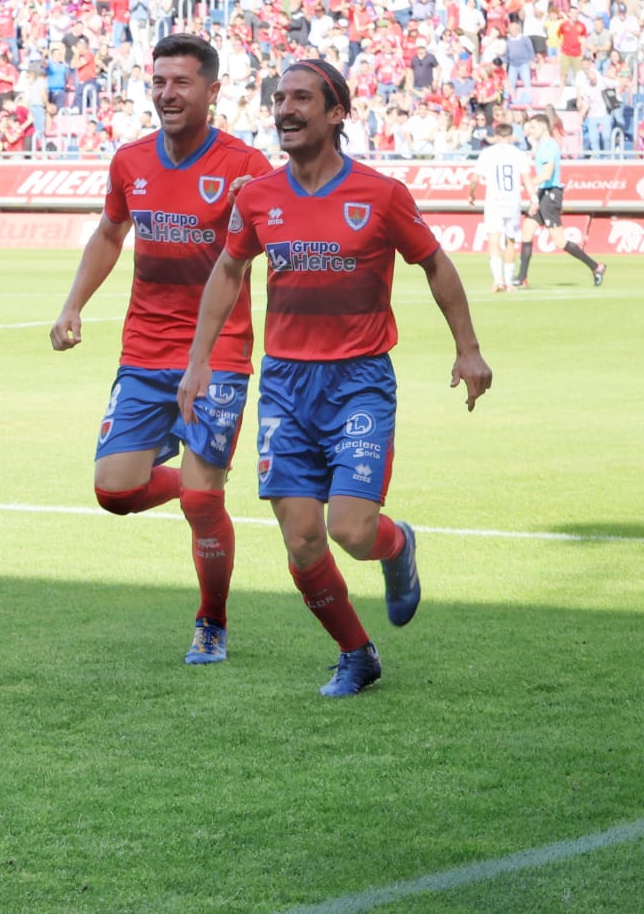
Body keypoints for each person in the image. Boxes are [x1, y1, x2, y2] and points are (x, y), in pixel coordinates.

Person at [179, 59, 491, 697]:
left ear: (337, 113)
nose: (285, 110)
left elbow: (435, 264)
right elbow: (230, 273)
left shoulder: (380, 194)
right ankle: (357, 654)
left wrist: (469, 349)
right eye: (278, 99)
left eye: (300, 99)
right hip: (285, 386)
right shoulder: (258, 197)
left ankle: (397, 545)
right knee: (301, 540)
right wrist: (199, 358)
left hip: (358, 382)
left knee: (351, 529)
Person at [50, 35, 271, 665]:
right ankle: (203, 483)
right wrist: (73, 305)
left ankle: (212, 620)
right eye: (159, 82)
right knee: (115, 491)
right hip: (144, 350)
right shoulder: (130, 161)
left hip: (219, 351)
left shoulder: (244, 166)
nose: (167, 94)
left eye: (181, 83)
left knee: (202, 503)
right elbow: (109, 234)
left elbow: (274, 253)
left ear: (212, 91)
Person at [516, 115, 607, 288]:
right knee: (527, 231)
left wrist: (526, 184)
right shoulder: (542, 146)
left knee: (559, 241)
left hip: (551, 194)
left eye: (534, 127)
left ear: (543, 127)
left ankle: (596, 266)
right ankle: (521, 278)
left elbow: (547, 175)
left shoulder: (549, 146)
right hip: (543, 192)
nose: (531, 130)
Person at [468, 122, 532, 292]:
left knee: (494, 240)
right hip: (512, 202)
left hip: (494, 202)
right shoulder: (519, 154)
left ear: (496, 137)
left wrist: (471, 194)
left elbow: (475, 178)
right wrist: (534, 199)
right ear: (511, 137)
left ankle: (498, 281)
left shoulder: (488, 153)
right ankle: (510, 282)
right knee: (510, 241)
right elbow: (526, 179)